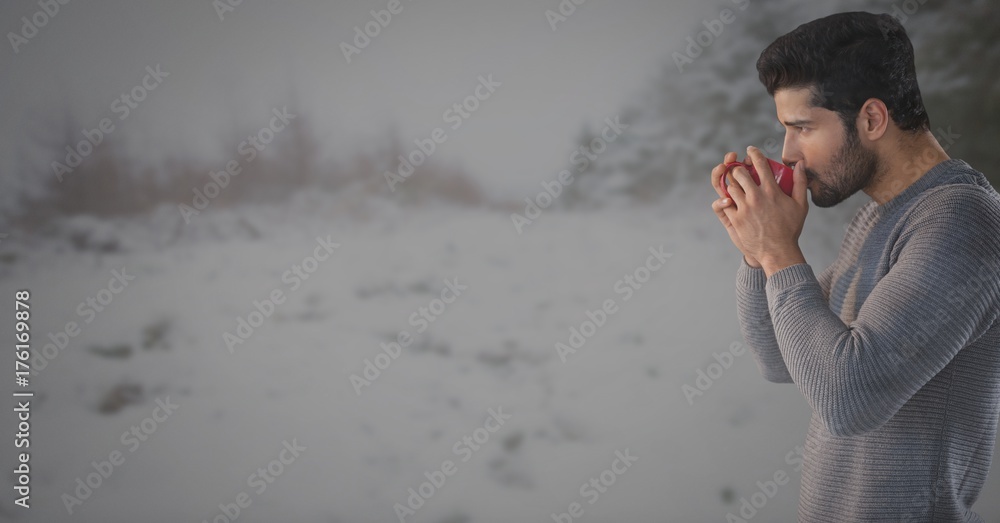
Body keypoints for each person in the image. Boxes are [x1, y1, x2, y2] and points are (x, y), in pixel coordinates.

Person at [708, 11, 1000, 522]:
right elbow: (782, 357)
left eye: (802, 128)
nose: (789, 154)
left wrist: (780, 253)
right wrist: (756, 254)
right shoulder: (877, 216)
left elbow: (848, 400)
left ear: (871, 119)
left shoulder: (961, 222)